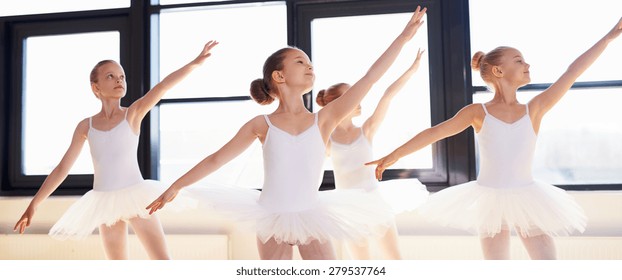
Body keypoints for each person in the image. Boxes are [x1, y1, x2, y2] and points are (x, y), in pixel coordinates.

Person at [146, 6, 427, 260]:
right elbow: (216, 159)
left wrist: (403, 37)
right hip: (270, 215)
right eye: (300, 62)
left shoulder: (325, 119)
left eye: (309, 63)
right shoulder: (261, 124)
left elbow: (371, 77)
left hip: (312, 214)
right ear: (279, 76)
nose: (309, 66)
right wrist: (176, 186)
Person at [367, 18, 622, 260]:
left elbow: (572, 72)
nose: (527, 65)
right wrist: (393, 156)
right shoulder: (478, 112)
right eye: (519, 60)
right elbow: (435, 133)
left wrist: (609, 37)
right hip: (489, 199)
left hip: (528, 196)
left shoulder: (534, 109)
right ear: (499, 70)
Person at [13, 40, 219, 260]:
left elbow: (163, 87)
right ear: (96, 87)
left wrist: (195, 63)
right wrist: (34, 204)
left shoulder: (132, 114)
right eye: (110, 76)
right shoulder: (86, 126)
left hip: (138, 196)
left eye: (122, 76)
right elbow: (63, 168)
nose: (119, 80)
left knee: (162, 261)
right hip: (104, 201)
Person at [315, 49, 429, 260]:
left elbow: (388, 95)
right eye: (352, 95)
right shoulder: (325, 138)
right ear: (340, 102)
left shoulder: (366, 130)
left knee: (395, 260)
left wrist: (412, 70)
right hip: (347, 208)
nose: (359, 99)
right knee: (361, 266)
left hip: (374, 201)